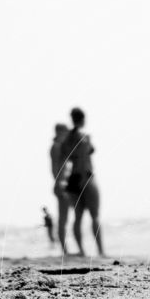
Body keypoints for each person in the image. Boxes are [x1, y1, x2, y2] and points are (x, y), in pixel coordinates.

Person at [60, 108, 103, 256]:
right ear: (83, 119)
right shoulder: (84, 137)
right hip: (86, 176)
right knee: (95, 215)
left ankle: (82, 251)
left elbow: (66, 156)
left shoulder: (67, 140)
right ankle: (101, 250)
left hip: (73, 180)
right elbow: (88, 152)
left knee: (78, 216)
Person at [50, 123, 71, 253]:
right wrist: (59, 182)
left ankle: (66, 249)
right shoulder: (56, 147)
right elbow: (54, 168)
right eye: (65, 133)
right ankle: (65, 250)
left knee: (65, 218)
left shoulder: (59, 146)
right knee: (63, 219)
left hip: (63, 184)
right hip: (60, 184)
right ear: (59, 132)